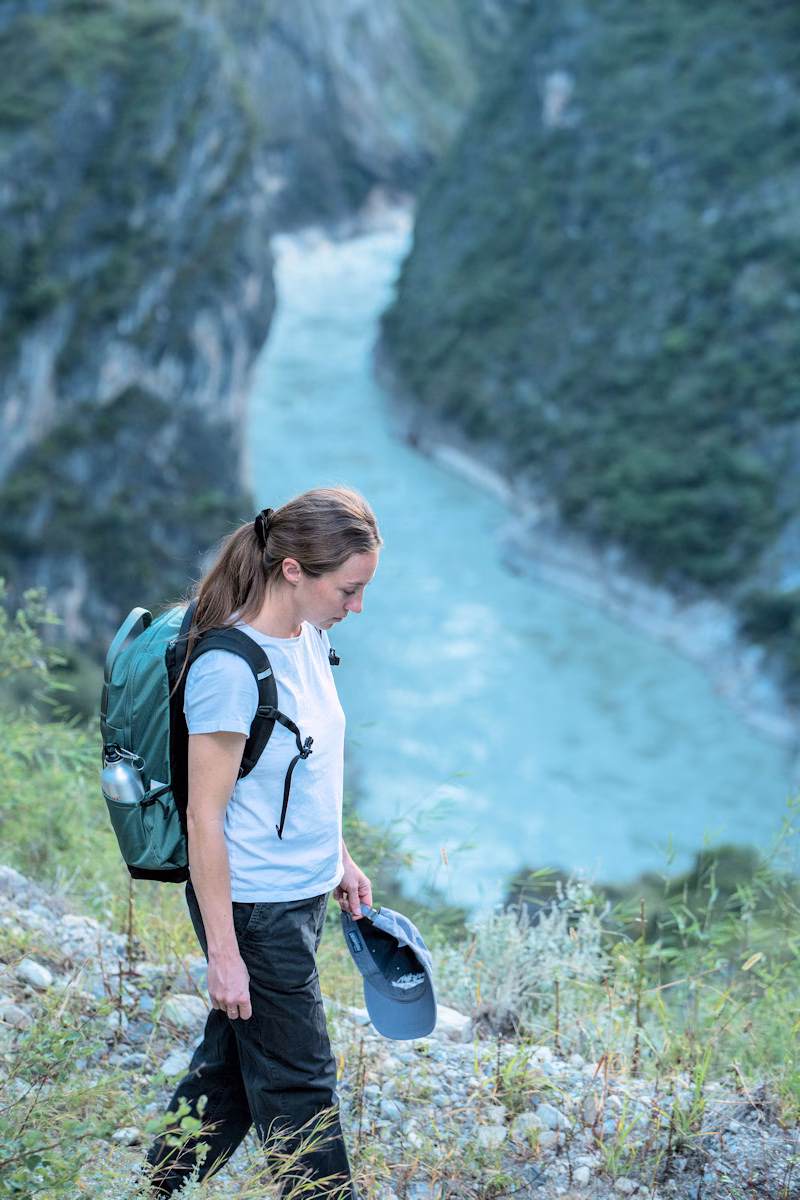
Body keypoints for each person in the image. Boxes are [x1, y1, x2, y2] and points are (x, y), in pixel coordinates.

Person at [147, 486, 382, 1199]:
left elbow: (308, 766)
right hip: (254, 906)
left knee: (231, 1068)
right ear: (292, 572)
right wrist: (224, 953)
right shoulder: (227, 671)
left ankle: (161, 1186)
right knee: (300, 1081)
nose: (357, 606)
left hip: (300, 892)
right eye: (348, 589)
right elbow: (203, 819)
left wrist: (337, 857)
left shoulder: (311, 637)